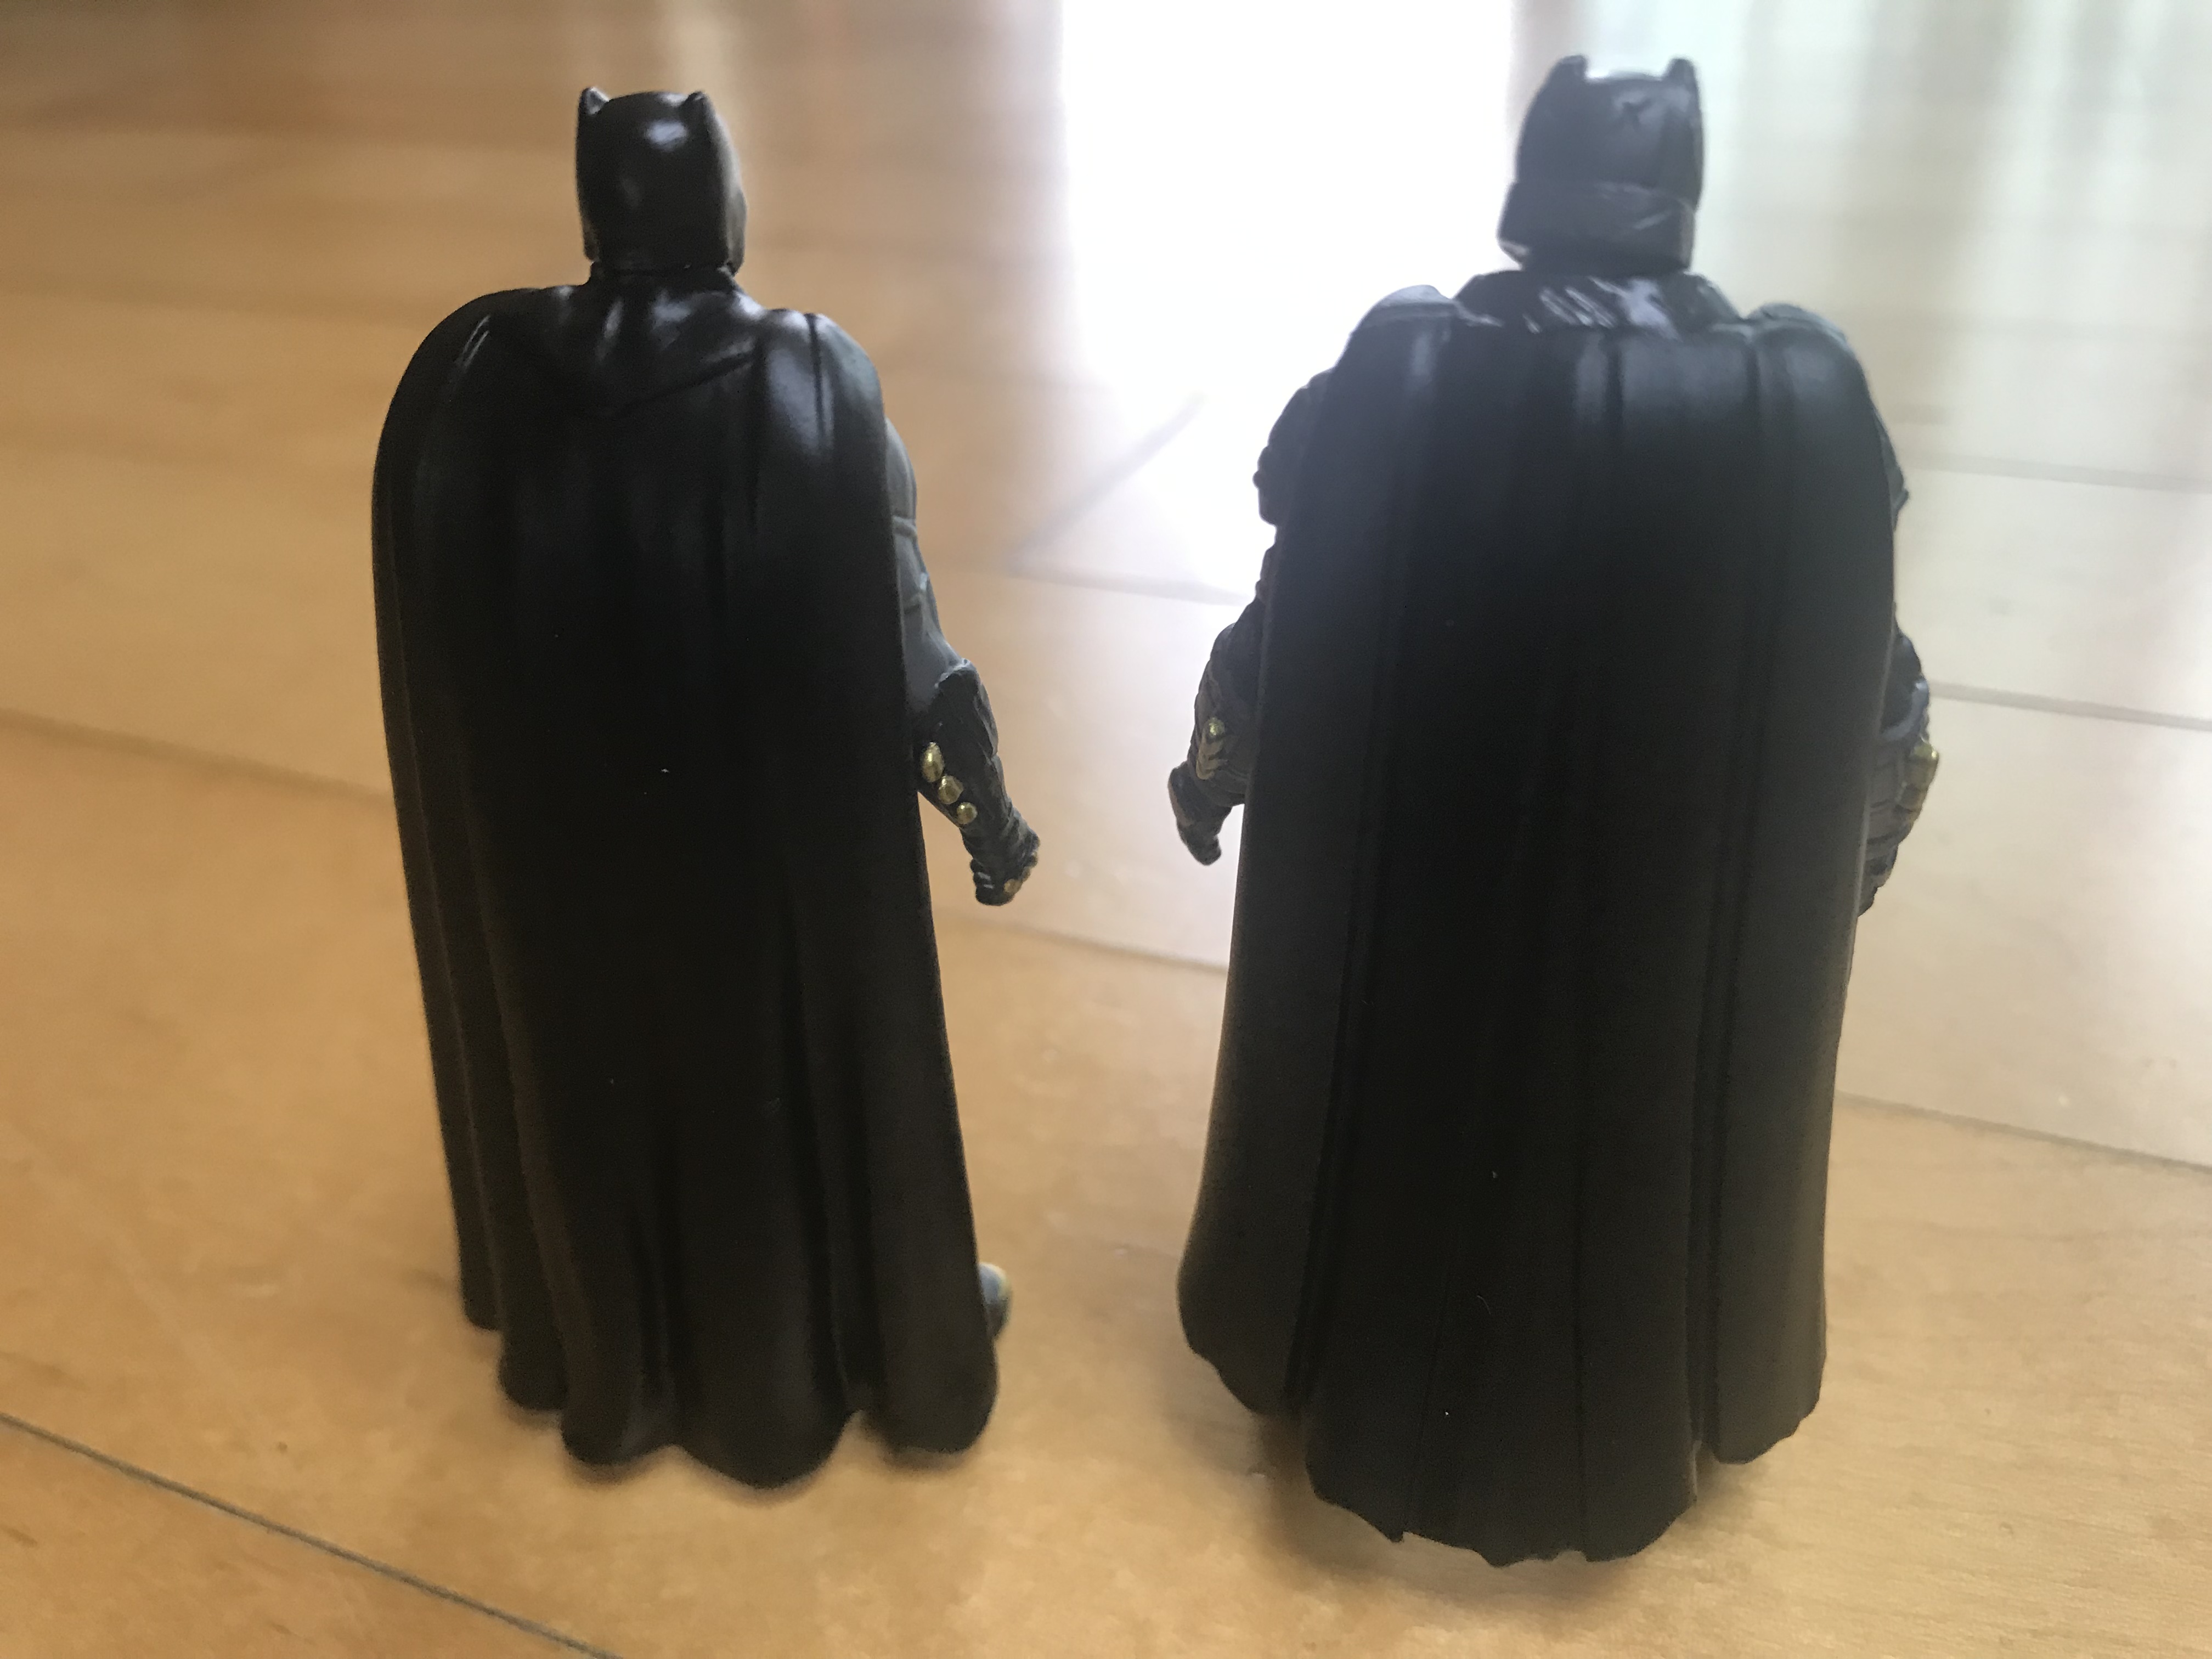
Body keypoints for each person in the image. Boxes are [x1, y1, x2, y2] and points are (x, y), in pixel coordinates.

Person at [1166, 57, 1937, 1563]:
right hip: (1655, 954)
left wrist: (1215, 768)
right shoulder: (1794, 402)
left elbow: (1278, 631)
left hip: (1436, 923)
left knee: (1413, 1121)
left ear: (1534, 189)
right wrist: (1862, 846)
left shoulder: (1404, 374)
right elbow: (1884, 701)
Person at [373, 88, 1036, 1487]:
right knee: (784, 1078)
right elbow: (909, 655)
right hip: (754, 869)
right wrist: (989, 817)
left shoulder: (477, 378)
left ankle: (610, 1335)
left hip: (567, 867)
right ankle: (866, 1332)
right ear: (720, 206)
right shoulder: (808, 386)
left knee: (604, 1070)